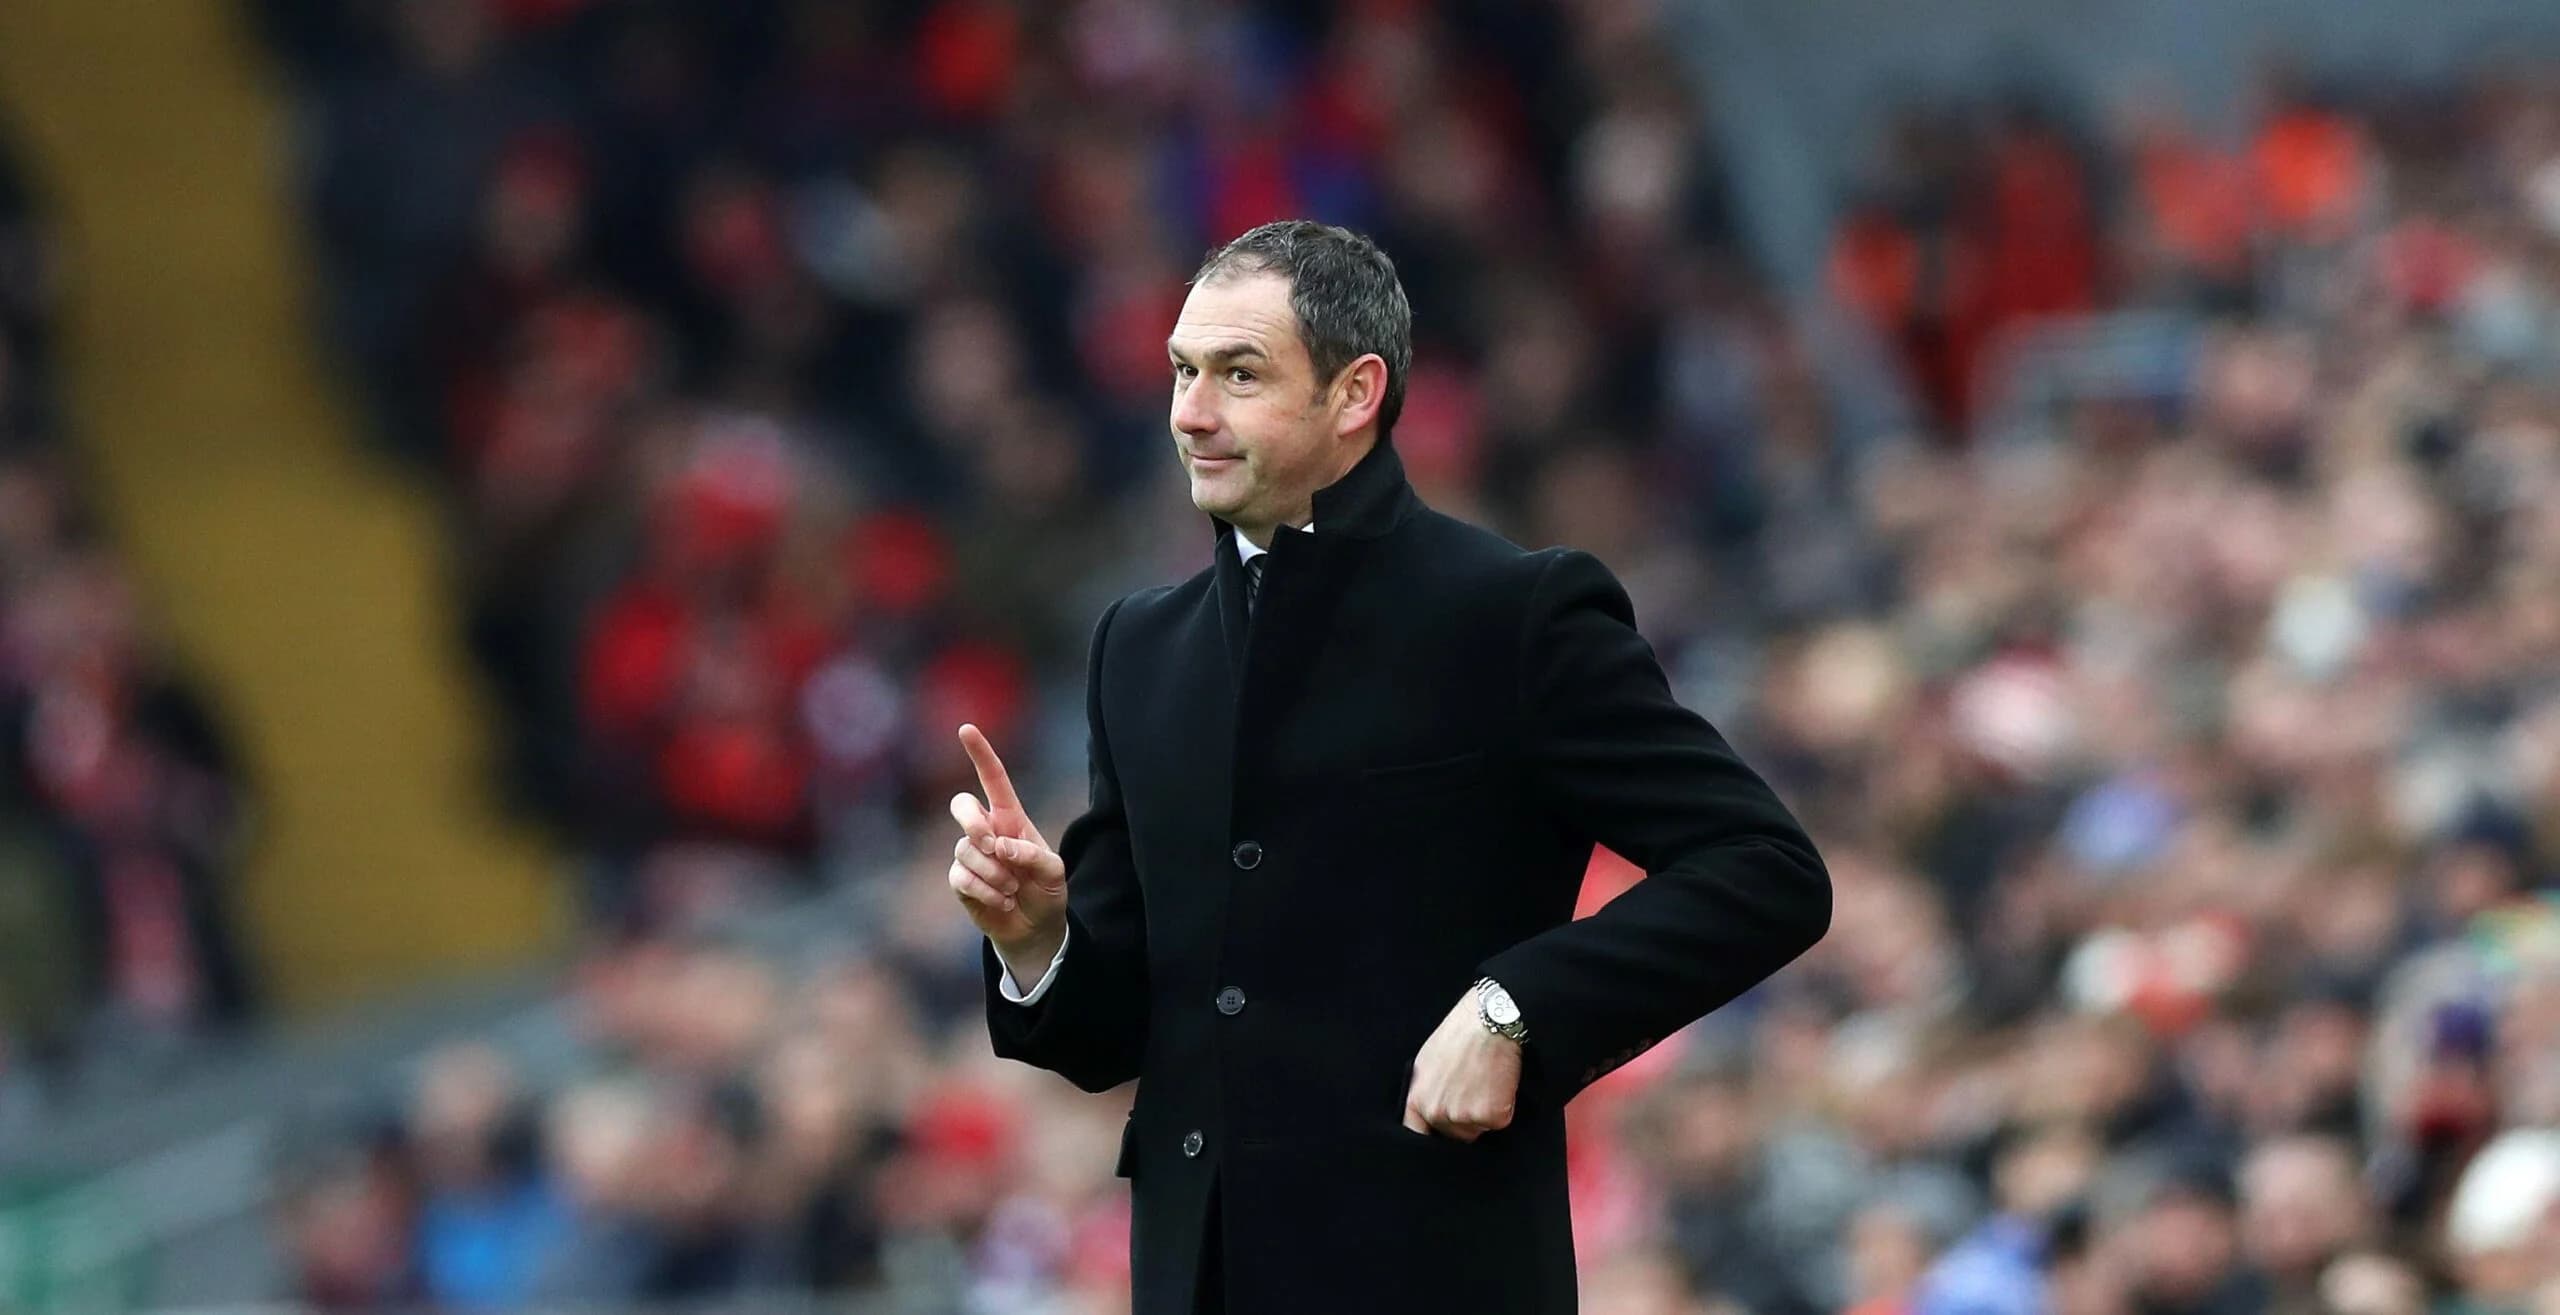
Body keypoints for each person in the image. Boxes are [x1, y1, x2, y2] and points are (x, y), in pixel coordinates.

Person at [944, 220, 1831, 1315]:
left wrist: (1514, 1007)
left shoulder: (1511, 613)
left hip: (1438, 1275)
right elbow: (1117, 1036)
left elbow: (1764, 867)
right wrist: (1037, 940)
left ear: (1355, 393)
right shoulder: (1139, 647)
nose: (1191, 413)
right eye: (1181, 371)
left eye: (1239, 374)